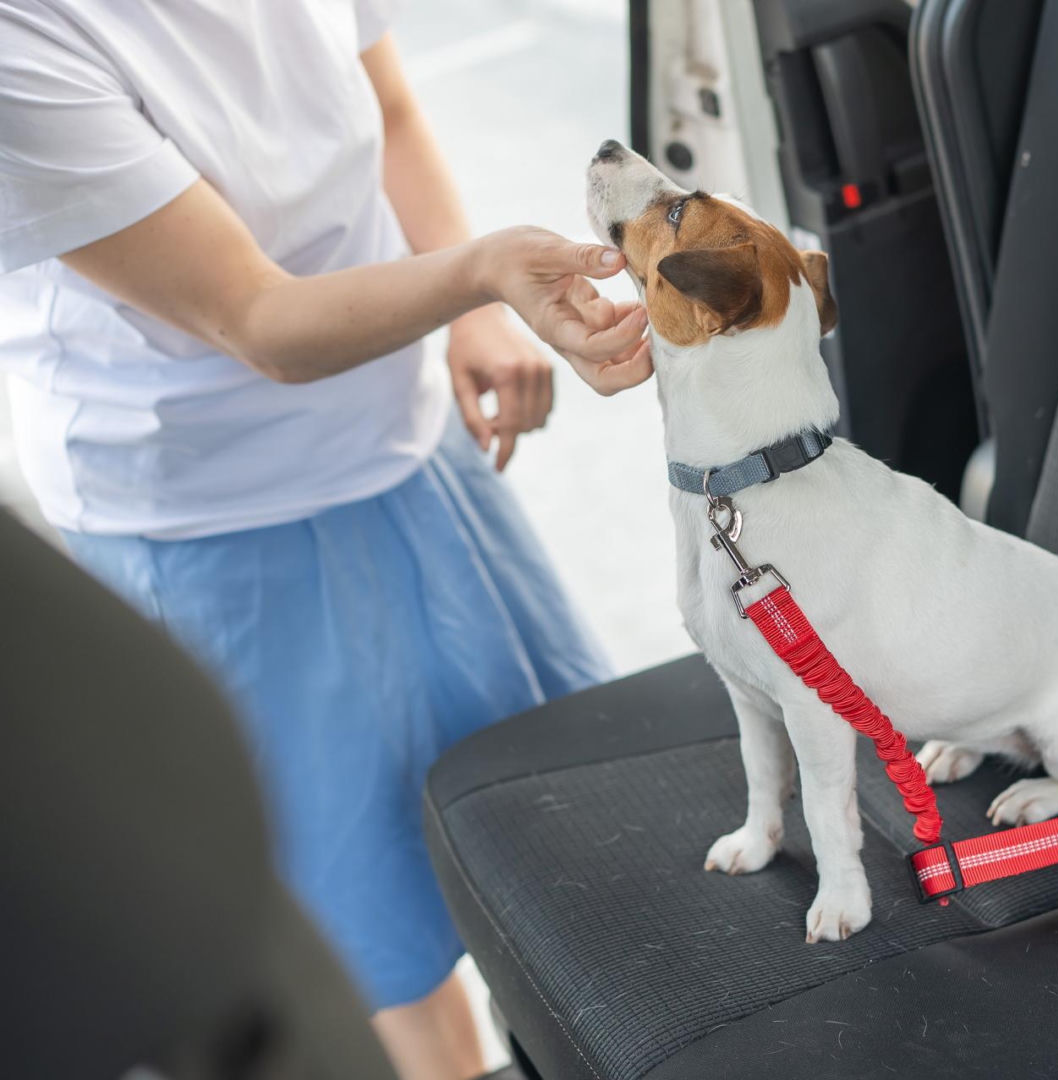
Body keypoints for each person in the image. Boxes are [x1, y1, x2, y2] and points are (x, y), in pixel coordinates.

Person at [0, 3, 652, 1078]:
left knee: (566, 845)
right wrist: (478, 275)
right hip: (216, 524)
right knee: (382, 954)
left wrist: (473, 314)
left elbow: (387, 107)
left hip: (406, 451)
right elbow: (258, 317)